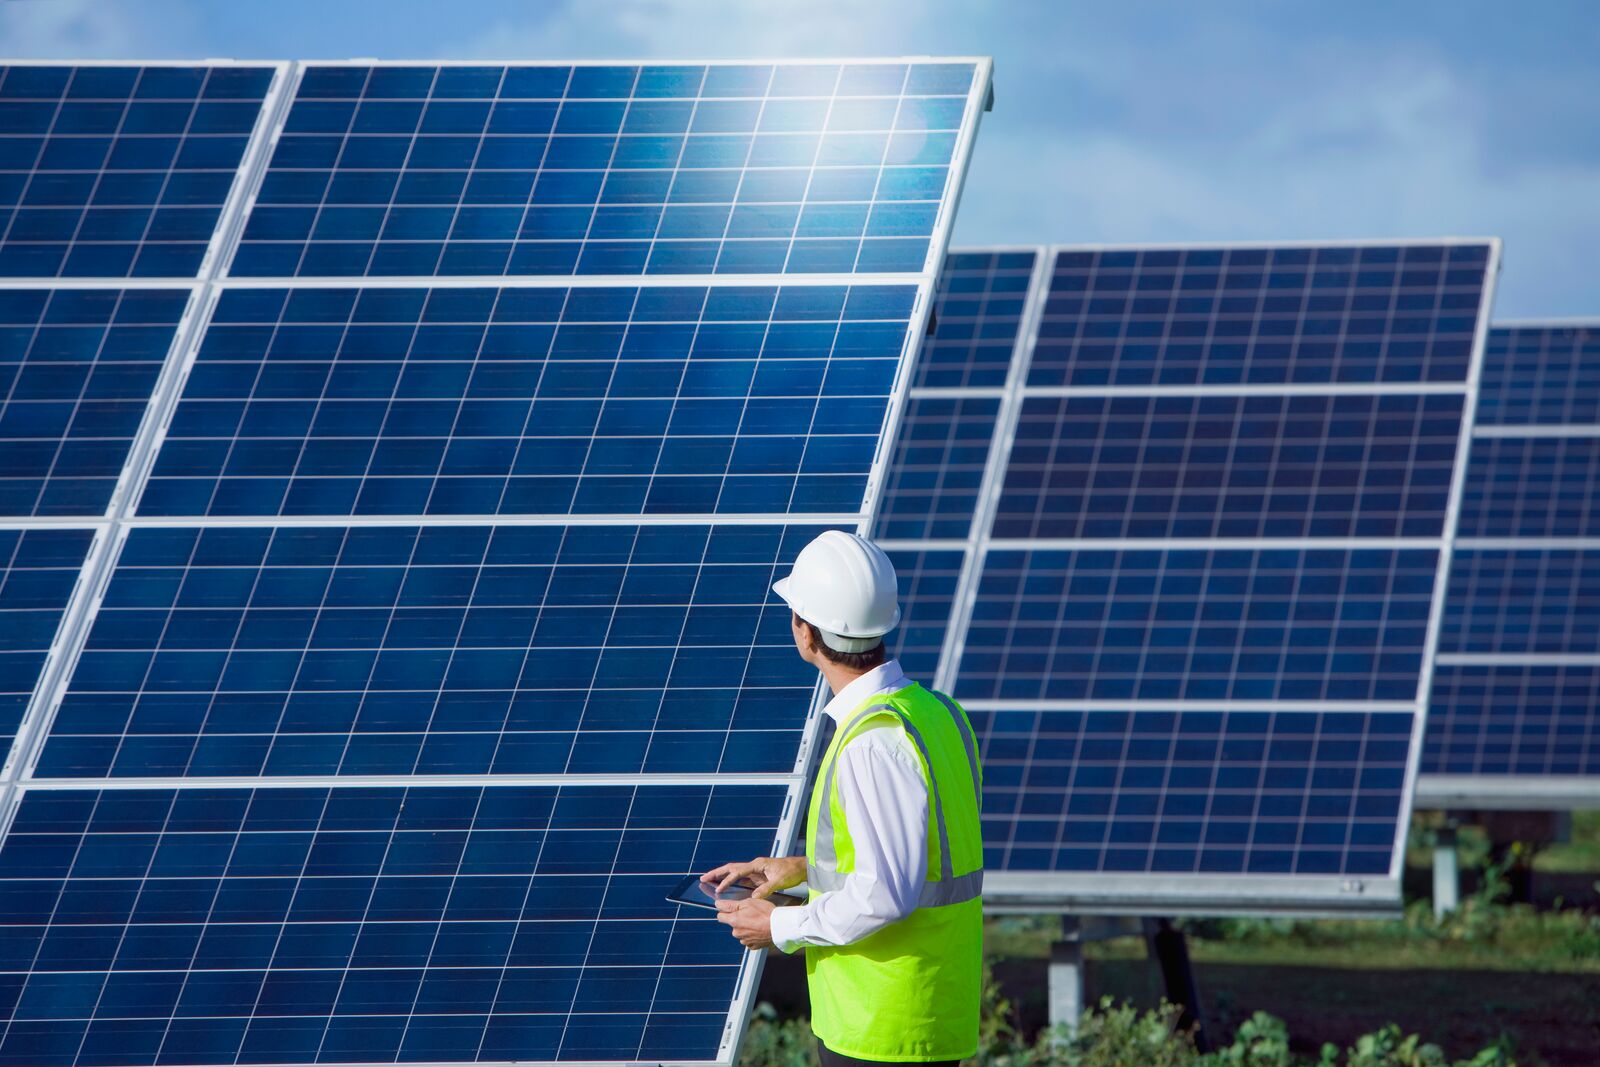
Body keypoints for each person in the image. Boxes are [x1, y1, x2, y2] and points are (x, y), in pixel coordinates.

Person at [702, 530, 984, 1067]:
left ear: (805, 633)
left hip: (883, 1024)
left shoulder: (873, 741)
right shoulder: (938, 714)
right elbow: (912, 860)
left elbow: (887, 894)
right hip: (920, 1008)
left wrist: (778, 926)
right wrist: (800, 870)